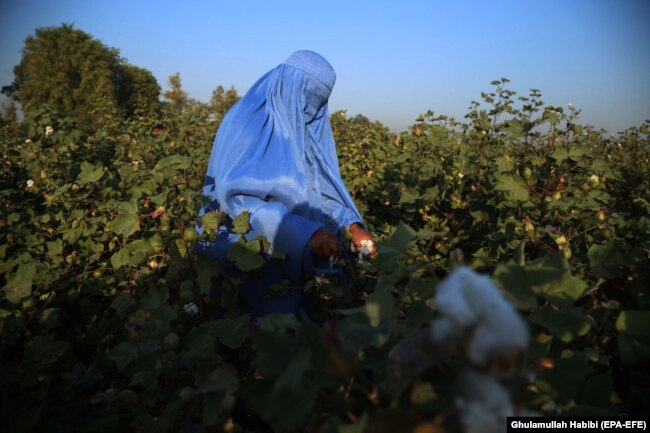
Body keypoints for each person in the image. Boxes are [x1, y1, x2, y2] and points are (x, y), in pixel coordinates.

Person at [195, 50, 375, 317]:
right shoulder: (246, 121)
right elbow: (238, 202)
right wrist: (304, 234)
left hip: (293, 264)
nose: (312, 112)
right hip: (244, 258)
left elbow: (319, 188)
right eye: (308, 101)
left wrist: (352, 225)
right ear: (291, 88)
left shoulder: (302, 127)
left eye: (319, 104)